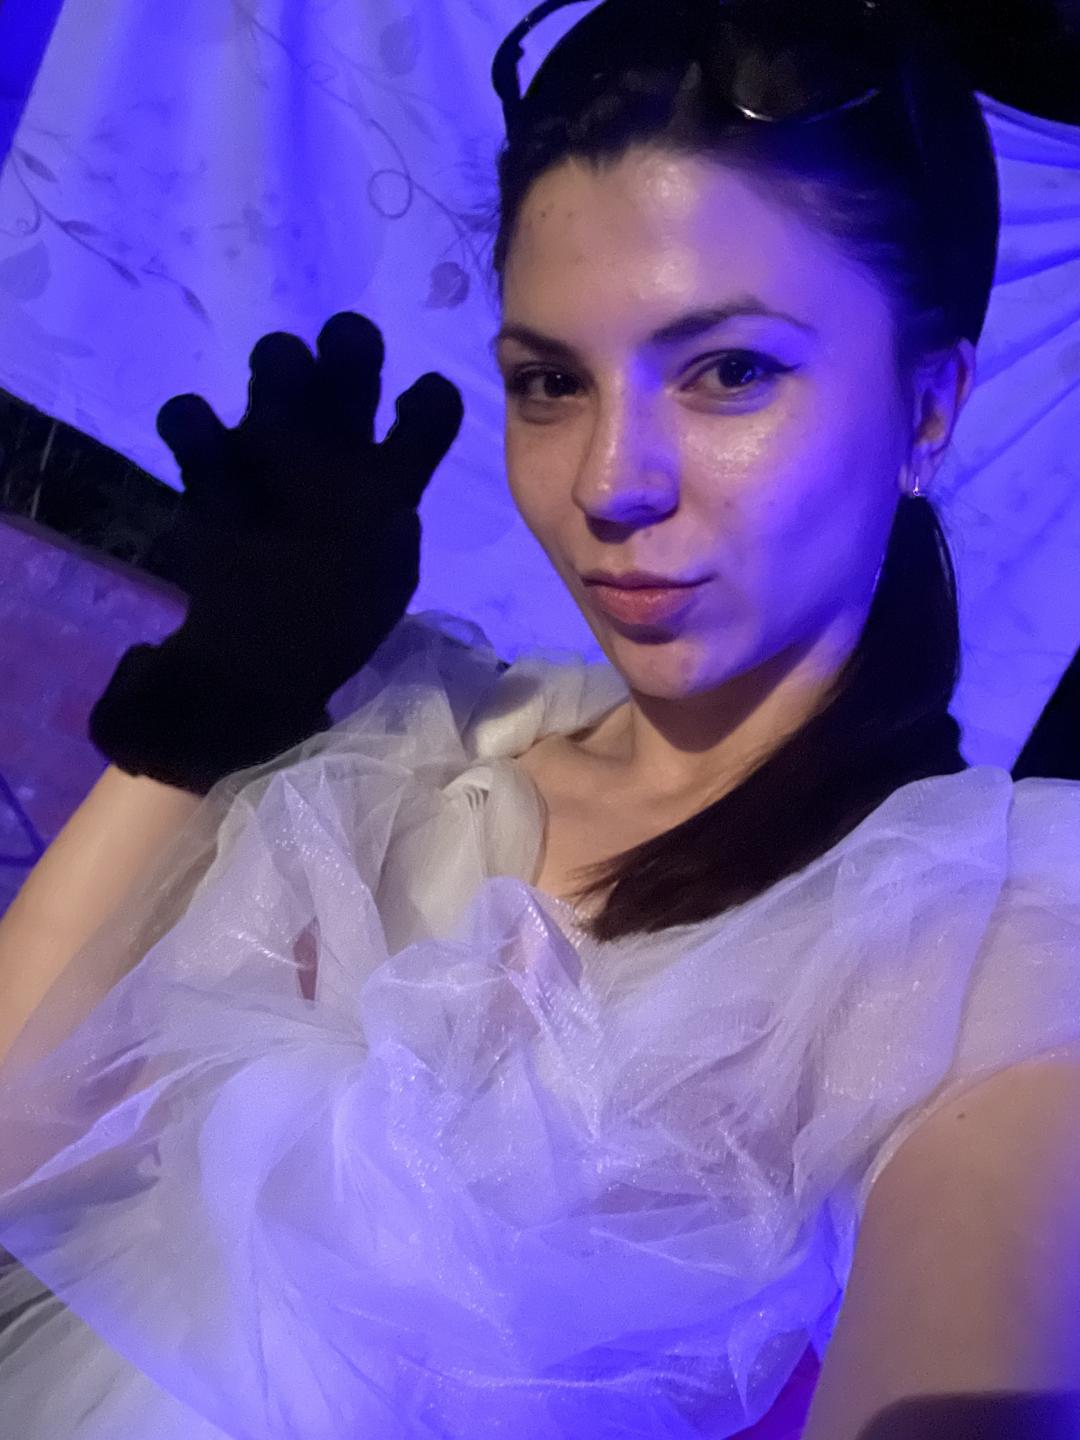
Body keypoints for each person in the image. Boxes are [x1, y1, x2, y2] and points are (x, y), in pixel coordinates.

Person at [0, 1, 1078, 1436]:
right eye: (551, 382)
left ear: (929, 405)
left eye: (731, 370)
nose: (611, 481)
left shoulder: (974, 934)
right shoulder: (432, 747)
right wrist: (210, 715)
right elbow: (23, 1133)